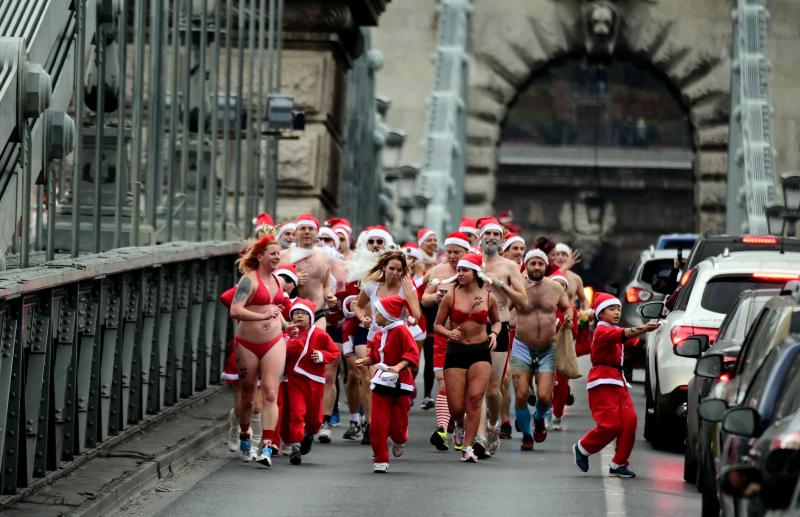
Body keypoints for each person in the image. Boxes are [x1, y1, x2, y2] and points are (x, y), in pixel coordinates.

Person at [573, 293, 658, 478]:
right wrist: (643, 328)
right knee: (610, 425)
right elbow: (624, 334)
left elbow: (629, 338)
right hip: (602, 381)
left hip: (618, 381)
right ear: (600, 314)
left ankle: (618, 463)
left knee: (630, 421)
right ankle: (583, 448)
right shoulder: (602, 330)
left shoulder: (613, 329)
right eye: (611, 309)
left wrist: (657, 329)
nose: (617, 312)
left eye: (618, 308)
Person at [230, 235, 297, 467]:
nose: (277, 256)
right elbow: (235, 310)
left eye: (279, 253)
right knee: (248, 396)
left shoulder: (278, 281)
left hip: (274, 341)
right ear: (260, 257)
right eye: (272, 253)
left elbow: (275, 310)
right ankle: (245, 433)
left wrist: (289, 326)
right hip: (248, 343)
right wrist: (261, 316)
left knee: (270, 393)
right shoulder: (248, 280)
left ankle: (267, 446)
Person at [434, 253, 501, 463]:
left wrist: (494, 334)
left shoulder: (489, 297)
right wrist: (448, 333)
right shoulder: (450, 296)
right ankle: (460, 426)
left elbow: (497, 322)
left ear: (475, 273)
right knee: (456, 408)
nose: (460, 273)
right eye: (459, 270)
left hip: (480, 351)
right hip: (456, 351)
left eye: (465, 270)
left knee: (475, 399)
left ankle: (468, 446)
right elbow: (437, 324)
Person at [353, 250, 422, 445]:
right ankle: (371, 422)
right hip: (374, 339)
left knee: (397, 388)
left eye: (399, 270)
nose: (395, 273)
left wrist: (410, 296)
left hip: (397, 343)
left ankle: (398, 426)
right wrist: (362, 318)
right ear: (383, 267)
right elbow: (358, 306)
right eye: (391, 268)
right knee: (370, 381)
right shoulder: (371, 287)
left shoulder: (406, 288)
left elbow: (416, 317)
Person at [475, 217, 528, 456]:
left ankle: (493, 426)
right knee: (474, 388)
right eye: (488, 235)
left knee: (493, 389)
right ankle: (479, 437)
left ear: (501, 240)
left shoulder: (509, 267)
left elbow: (523, 300)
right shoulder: (472, 262)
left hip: (500, 329)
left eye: (496, 236)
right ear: (481, 237)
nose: (492, 239)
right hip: (472, 328)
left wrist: (501, 286)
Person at [509, 249, 571, 451]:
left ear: (546, 266)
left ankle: (539, 418)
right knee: (521, 395)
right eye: (533, 263)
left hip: (547, 349)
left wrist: (568, 317)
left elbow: (567, 307)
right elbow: (501, 308)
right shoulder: (517, 287)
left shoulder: (555, 287)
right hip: (522, 347)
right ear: (526, 264)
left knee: (544, 397)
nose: (537, 267)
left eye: (540, 264)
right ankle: (527, 435)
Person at [338, 226, 394, 443]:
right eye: (372, 242)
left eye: (380, 242)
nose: (376, 246)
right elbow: (345, 299)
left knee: (384, 378)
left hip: (391, 331)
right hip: (362, 329)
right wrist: (351, 307)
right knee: (363, 376)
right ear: (364, 244)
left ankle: (384, 420)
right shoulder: (354, 269)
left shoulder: (396, 269)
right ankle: (367, 423)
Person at [354, 295, 420, 473]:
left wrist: (398, 366)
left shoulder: (401, 331)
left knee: (398, 426)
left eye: (379, 313)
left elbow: (412, 353)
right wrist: (365, 361)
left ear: (389, 314)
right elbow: (375, 356)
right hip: (381, 382)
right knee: (378, 424)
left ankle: (400, 439)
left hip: (400, 384)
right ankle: (380, 458)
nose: (375, 316)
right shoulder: (379, 333)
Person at [421, 232, 470, 451]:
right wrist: (436, 298)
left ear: (465, 253)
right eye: (449, 251)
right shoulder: (438, 271)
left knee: (464, 386)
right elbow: (424, 297)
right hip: (443, 334)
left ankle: (459, 427)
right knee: (443, 382)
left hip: (468, 336)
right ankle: (442, 430)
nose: (452, 256)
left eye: (456, 252)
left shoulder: (474, 272)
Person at [284, 298, 341, 465]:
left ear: (310, 317)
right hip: (295, 379)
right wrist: (290, 343)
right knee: (297, 414)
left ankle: (309, 435)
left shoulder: (319, 334)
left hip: (315, 381)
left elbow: (334, 352)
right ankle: (295, 447)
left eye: (303, 313)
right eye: (296, 313)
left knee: (315, 420)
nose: (300, 316)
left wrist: (322, 356)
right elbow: (281, 352)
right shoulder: (288, 332)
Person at [279, 214, 337, 328]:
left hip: (317, 313)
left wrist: (329, 296)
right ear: (296, 232)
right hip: (290, 314)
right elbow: (272, 285)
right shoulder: (282, 257)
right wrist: (293, 281)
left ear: (316, 233)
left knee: (316, 345)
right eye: (302, 228)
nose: (307, 232)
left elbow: (325, 286)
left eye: (311, 229)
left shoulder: (324, 258)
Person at [403, 242, 434, 409]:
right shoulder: (396, 275)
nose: (409, 261)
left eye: (413, 258)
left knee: (413, 364)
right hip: (399, 323)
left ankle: (411, 385)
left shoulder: (423, 279)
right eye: (406, 257)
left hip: (418, 324)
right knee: (401, 360)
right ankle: (404, 391)